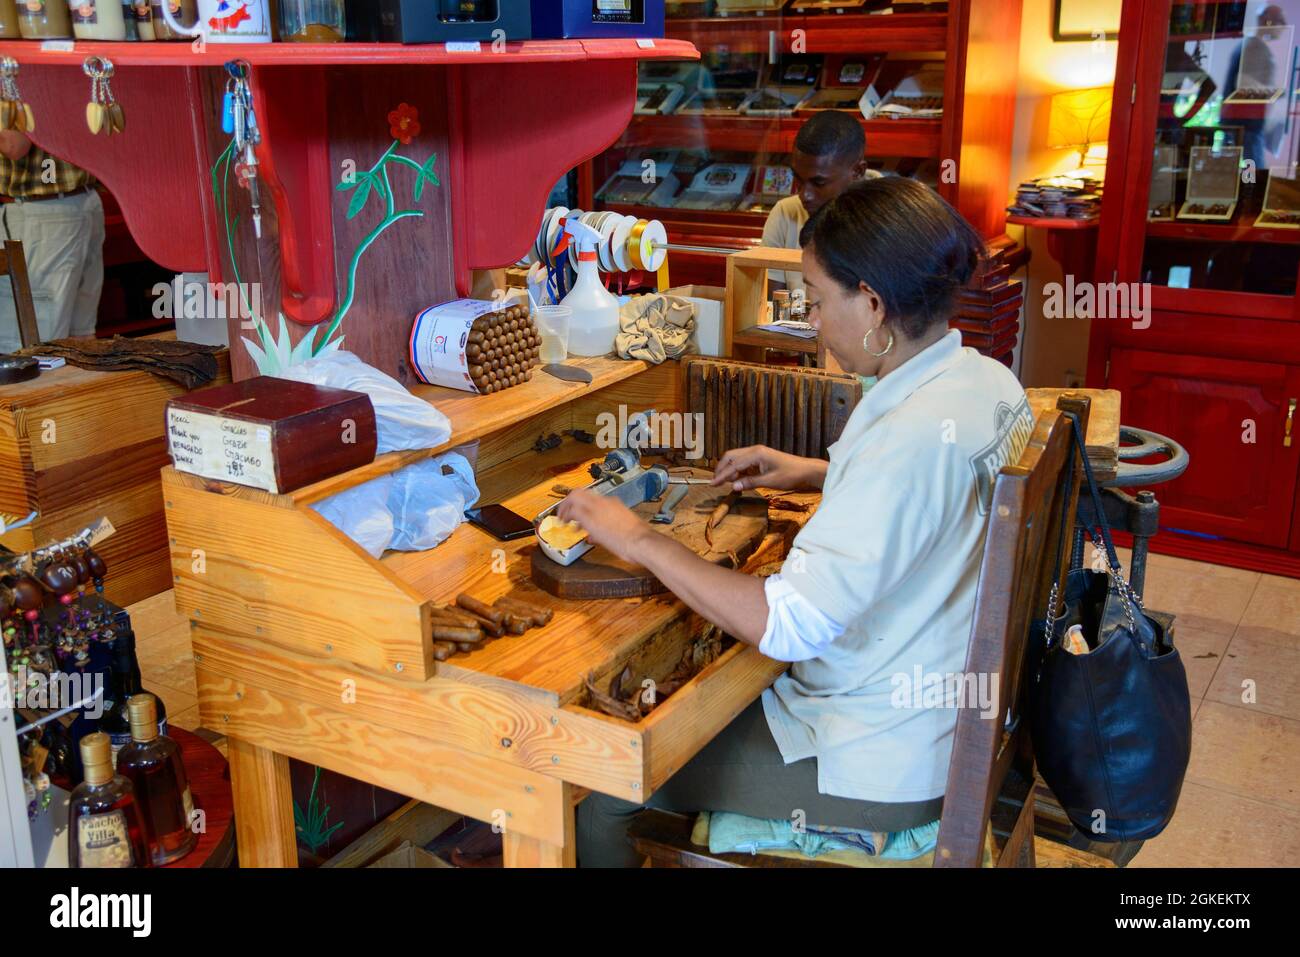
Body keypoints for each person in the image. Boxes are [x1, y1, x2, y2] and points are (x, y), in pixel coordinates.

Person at [563, 177, 1035, 867]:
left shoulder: (903, 443)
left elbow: (788, 623)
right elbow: (935, 504)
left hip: (878, 761)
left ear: (872, 303)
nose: (811, 319)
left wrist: (637, 536)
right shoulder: (987, 382)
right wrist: (815, 469)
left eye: (816, 301)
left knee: (598, 779)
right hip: (947, 725)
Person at [0, 136, 104, 354]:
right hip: (82, 200)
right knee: (81, 342)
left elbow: (13, 144)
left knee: (28, 349)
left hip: (43, 214)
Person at [762, 110, 879, 293]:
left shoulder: (891, 219)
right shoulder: (785, 213)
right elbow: (767, 308)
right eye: (798, 179)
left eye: (818, 183)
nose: (804, 195)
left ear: (857, 172)